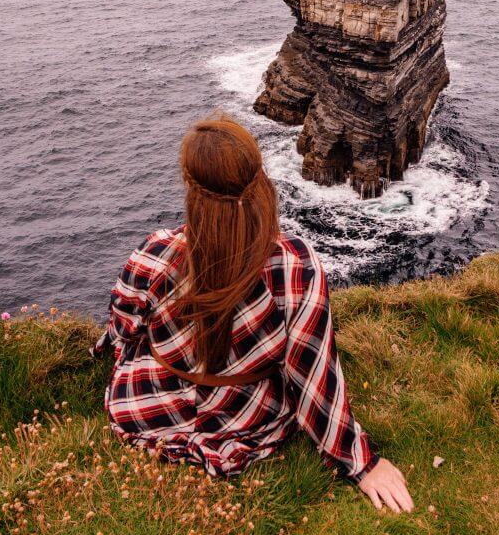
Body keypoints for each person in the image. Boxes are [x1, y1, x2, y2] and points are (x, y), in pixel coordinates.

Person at [92, 114, 413, 514]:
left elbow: (122, 330)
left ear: (191, 188)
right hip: (250, 418)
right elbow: (313, 373)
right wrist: (361, 464)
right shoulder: (295, 263)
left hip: (155, 410)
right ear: (258, 179)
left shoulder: (155, 254)